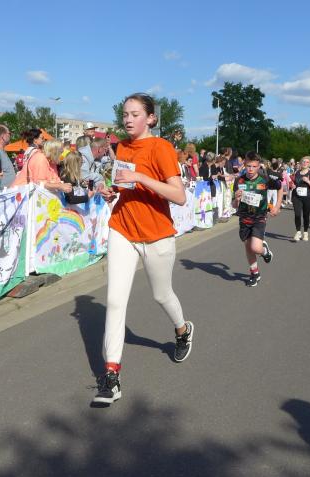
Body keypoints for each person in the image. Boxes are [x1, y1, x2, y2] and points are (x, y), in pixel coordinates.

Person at [92, 93, 193, 406]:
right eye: (125, 114)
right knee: (114, 301)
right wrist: (111, 190)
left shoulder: (161, 147)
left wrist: (140, 177)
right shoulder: (122, 147)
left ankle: (182, 330)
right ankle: (111, 376)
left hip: (157, 234)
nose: (128, 119)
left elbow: (179, 196)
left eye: (135, 114)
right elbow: (124, 185)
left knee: (161, 295)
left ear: (150, 118)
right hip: (123, 228)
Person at [232, 151, 281, 287]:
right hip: (244, 218)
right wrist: (236, 199)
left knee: (255, 247)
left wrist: (277, 207)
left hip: (259, 217)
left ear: (259, 166)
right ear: (244, 165)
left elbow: (280, 187)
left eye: (254, 166)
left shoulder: (265, 179)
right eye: (248, 166)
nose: (251, 169)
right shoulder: (239, 181)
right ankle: (255, 273)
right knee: (248, 247)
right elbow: (234, 205)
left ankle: (265, 251)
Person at [290, 155, 310, 242]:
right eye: (303, 161)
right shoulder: (297, 173)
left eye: (307, 162)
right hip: (296, 196)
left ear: (309, 164)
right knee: (297, 214)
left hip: (307, 197)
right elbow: (293, 183)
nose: (305, 163)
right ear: (301, 163)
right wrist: (292, 185)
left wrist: (308, 181)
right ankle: (298, 232)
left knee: (306, 215)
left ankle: (305, 232)